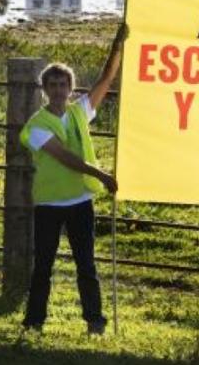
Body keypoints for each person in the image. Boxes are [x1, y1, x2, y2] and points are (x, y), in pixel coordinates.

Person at [20, 24, 127, 334]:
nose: (57, 89)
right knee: (43, 267)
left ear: (70, 87)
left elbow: (106, 79)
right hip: (50, 203)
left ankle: (95, 323)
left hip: (80, 201)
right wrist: (100, 174)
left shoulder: (80, 110)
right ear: (45, 89)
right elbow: (64, 157)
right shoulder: (37, 124)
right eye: (51, 85)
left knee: (87, 266)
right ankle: (33, 323)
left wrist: (117, 47)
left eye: (62, 84)